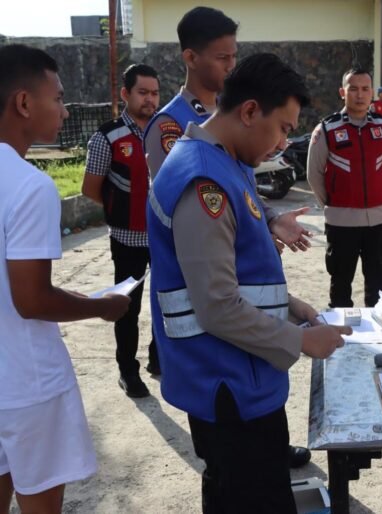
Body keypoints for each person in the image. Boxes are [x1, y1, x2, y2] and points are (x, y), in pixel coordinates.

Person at [147, 53, 352, 513]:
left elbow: (235, 272)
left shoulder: (224, 163)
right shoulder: (204, 180)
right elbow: (217, 305)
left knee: (234, 492)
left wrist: (291, 305)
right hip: (226, 382)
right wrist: (302, 341)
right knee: (252, 496)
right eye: (282, 128)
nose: (281, 143)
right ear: (249, 111)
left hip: (238, 373)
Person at [0, 44, 130, 514]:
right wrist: (102, 306)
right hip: (26, 384)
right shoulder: (28, 185)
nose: (65, 109)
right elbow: (32, 300)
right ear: (23, 102)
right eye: (57, 98)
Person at [82, 64, 161, 397]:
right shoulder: (107, 137)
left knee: (166, 301)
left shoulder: (167, 131)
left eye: (155, 93)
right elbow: (90, 188)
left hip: (164, 236)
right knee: (127, 308)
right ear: (126, 94)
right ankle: (128, 371)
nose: (150, 100)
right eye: (142, 93)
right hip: (128, 239)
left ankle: (160, 359)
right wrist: (122, 207)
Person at [307, 67, 382, 308]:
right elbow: (314, 175)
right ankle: (341, 332)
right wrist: (333, 203)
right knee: (340, 286)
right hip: (341, 222)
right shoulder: (327, 129)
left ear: (372, 93)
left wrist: (378, 195)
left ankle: (379, 329)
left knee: (378, 288)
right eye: (353, 89)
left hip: (379, 221)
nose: (360, 95)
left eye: (365, 89)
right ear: (342, 92)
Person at [144, 7, 237, 179]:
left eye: (234, 56)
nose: (231, 66)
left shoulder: (233, 113)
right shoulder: (169, 124)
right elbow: (170, 192)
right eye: (222, 58)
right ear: (191, 58)